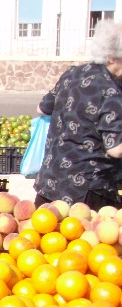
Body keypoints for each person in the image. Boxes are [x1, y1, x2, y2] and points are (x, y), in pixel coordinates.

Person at [34, 19, 122, 211]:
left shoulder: (73, 74)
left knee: (46, 237)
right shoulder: (111, 91)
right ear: (112, 57)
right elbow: (115, 148)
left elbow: (42, 108)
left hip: (50, 183)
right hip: (86, 192)